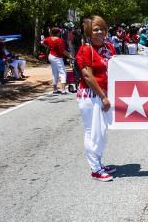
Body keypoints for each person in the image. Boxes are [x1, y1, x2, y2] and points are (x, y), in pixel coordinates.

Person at [76, 16, 117, 182]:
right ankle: (95, 169)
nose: (100, 32)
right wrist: (102, 96)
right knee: (93, 131)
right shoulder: (86, 49)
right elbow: (87, 75)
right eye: (95, 29)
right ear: (88, 32)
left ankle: (99, 162)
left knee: (102, 131)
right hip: (91, 95)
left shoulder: (110, 47)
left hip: (105, 94)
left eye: (101, 28)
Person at [41, 27, 73, 94]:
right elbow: (63, 51)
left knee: (54, 72)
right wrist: (69, 56)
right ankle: (63, 90)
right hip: (57, 57)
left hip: (51, 56)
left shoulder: (49, 38)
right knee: (63, 73)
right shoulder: (59, 40)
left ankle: (55, 89)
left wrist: (48, 47)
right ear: (58, 33)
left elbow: (42, 42)